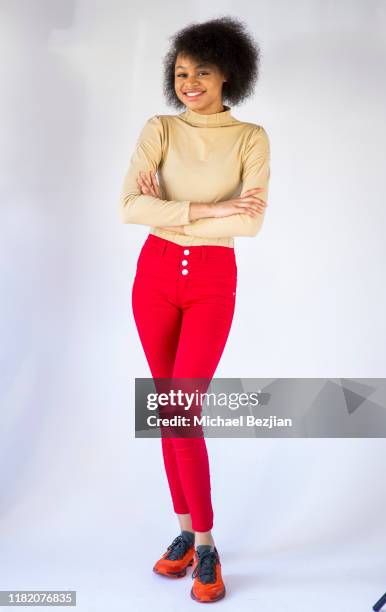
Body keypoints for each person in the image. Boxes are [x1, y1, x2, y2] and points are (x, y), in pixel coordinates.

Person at [119, 16, 270, 604]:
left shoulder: (251, 137)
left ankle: (206, 544)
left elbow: (252, 221)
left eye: (201, 70)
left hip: (212, 281)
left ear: (228, 72)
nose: (189, 81)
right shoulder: (159, 128)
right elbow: (129, 207)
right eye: (181, 72)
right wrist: (212, 210)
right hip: (153, 275)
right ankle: (185, 534)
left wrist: (175, 208)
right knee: (168, 408)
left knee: (184, 410)